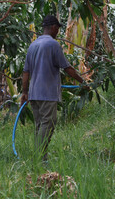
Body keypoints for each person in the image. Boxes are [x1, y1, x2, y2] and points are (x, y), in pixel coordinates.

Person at [21, 15, 87, 161]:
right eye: (57, 29)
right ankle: (38, 158)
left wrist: (24, 92)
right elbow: (67, 68)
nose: (58, 32)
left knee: (40, 125)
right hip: (47, 93)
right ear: (53, 28)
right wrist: (83, 82)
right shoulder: (53, 45)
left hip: (33, 94)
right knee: (48, 124)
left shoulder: (33, 45)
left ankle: (40, 158)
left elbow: (26, 72)